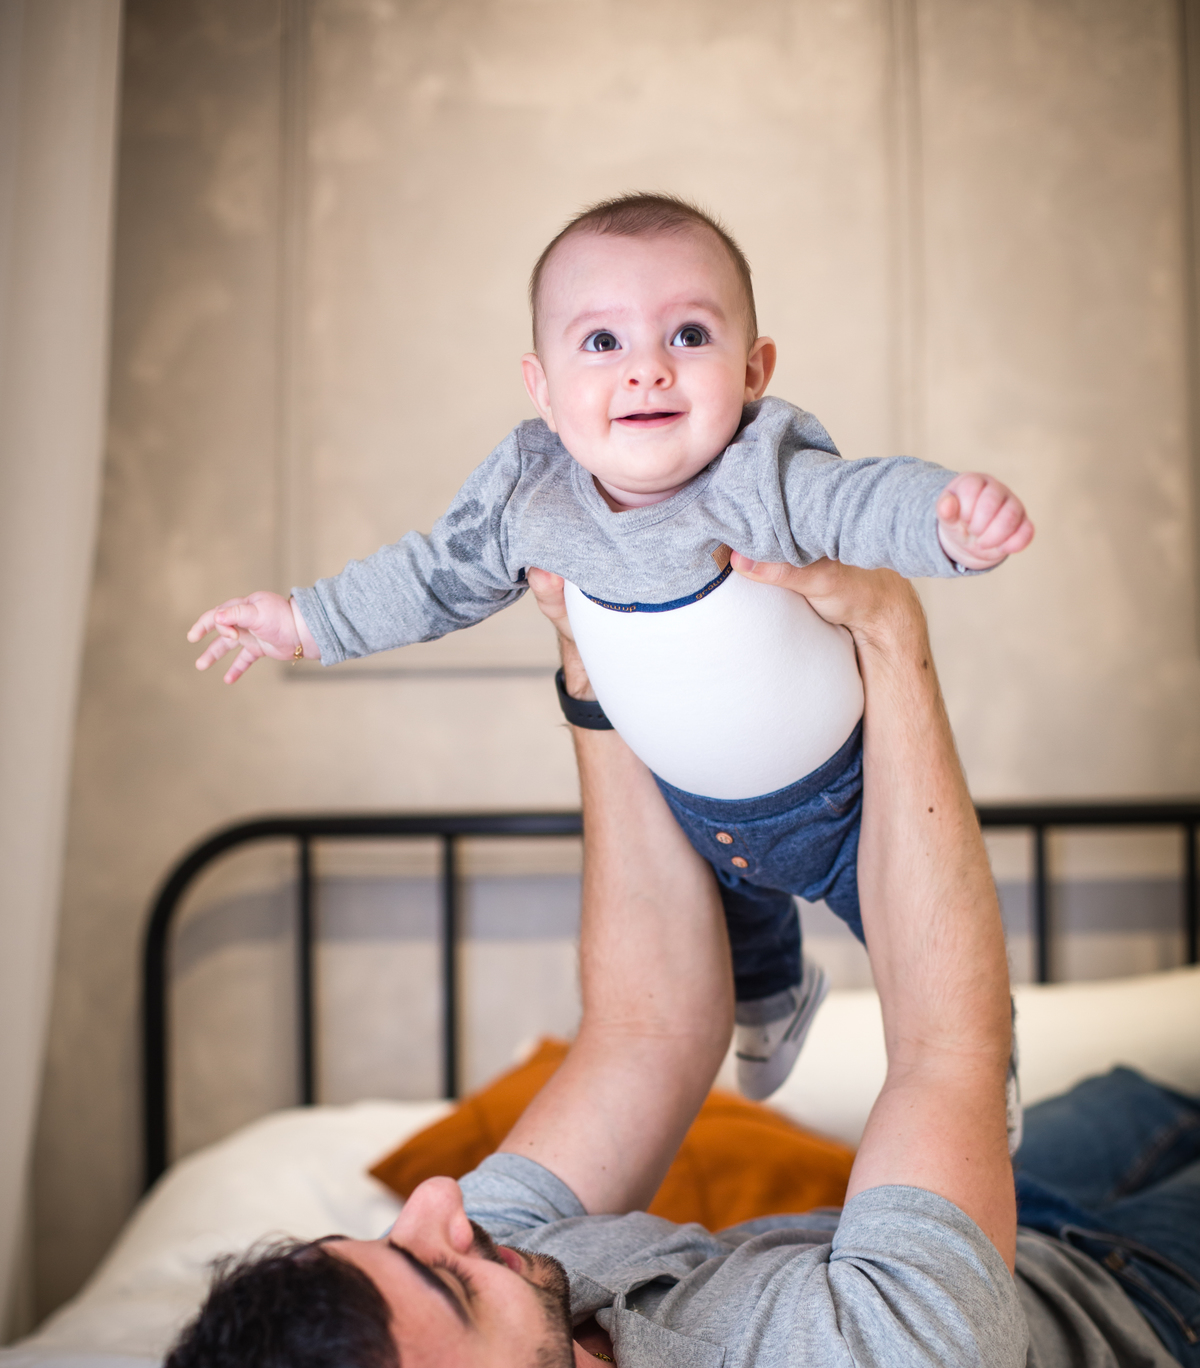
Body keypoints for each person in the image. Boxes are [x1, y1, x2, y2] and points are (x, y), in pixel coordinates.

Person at [140, 559, 1200, 1368]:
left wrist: (588, 667)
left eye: (386, 1242)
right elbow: (947, 1047)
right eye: (444, 1278)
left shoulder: (491, 1342)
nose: (440, 1207)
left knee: (1136, 1094)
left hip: (955, 1239)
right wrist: (890, 641)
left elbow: (649, 1031)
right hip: (1137, 1307)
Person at [184, 192, 1033, 1101]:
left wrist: (947, 522)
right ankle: (776, 997)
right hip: (688, 804)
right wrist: (306, 622)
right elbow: (434, 574)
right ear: (541, 388)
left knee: (922, 950)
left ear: (754, 372)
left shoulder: (763, 473)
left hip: (846, 803)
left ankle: (989, 1053)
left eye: (691, 336)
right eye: (602, 344)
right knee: (732, 919)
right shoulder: (533, 494)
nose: (648, 372)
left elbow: (860, 501)